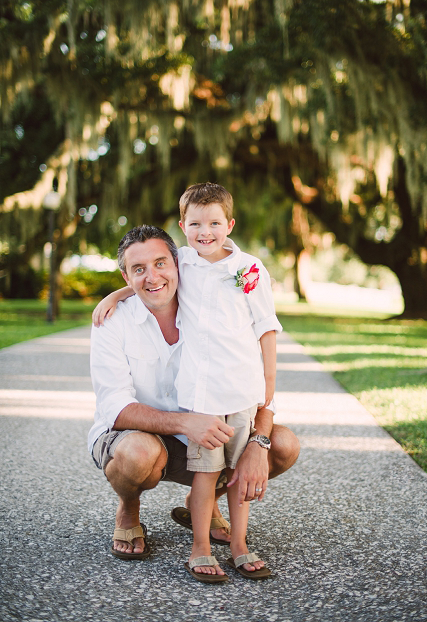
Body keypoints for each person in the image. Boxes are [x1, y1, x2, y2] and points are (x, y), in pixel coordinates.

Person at [91, 198, 295, 582]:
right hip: (138, 436)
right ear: (126, 278)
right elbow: (115, 408)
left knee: (282, 445)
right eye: (138, 270)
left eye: (159, 264)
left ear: (179, 266)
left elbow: (256, 363)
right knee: (138, 452)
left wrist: (260, 440)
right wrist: (116, 296)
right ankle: (129, 510)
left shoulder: (215, 304)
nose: (152, 277)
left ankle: (214, 515)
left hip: (211, 419)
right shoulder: (113, 321)